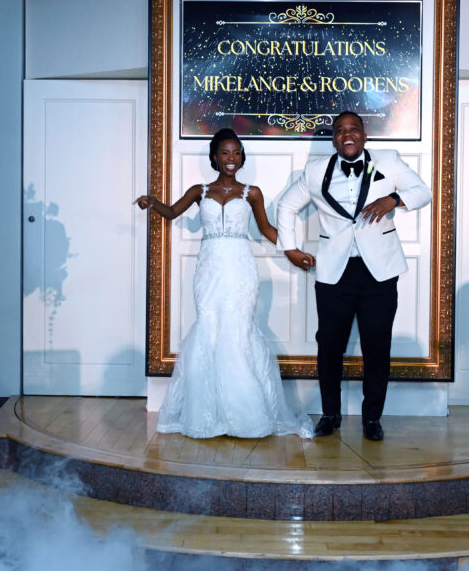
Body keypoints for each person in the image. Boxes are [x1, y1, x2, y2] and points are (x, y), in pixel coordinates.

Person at [135, 128, 314, 439]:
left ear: (241, 157)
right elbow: (173, 212)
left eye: (236, 153)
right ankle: (209, 413)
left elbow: (267, 228)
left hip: (240, 268)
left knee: (237, 328)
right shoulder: (199, 191)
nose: (232, 158)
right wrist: (152, 202)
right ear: (215, 157)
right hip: (209, 269)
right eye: (225, 153)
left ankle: (245, 414)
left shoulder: (252, 193)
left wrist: (293, 251)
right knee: (209, 327)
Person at [275, 111, 431, 441]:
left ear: (364, 134)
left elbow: (422, 191)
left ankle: (372, 418)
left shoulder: (387, 161)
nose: (348, 135)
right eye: (340, 130)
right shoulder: (315, 171)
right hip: (334, 273)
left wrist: (393, 199)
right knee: (329, 346)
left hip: (380, 272)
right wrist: (289, 248)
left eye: (354, 129)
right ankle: (330, 414)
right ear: (334, 138)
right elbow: (286, 206)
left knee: (377, 347)